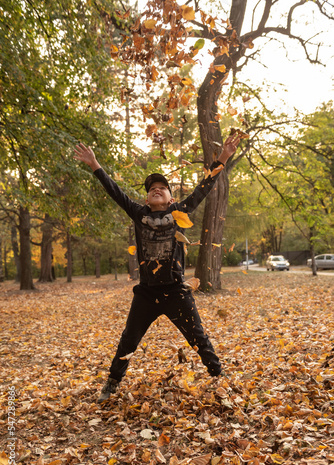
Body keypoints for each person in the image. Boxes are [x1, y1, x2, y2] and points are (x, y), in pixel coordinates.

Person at [74, 132, 242, 402]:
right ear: (146, 198)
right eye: (152, 188)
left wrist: (222, 157)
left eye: (162, 187)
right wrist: (95, 164)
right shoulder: (139, 214)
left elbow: (203, 188)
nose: (156, 189)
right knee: (128, 340)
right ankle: (112, 383)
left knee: (198, 337)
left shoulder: (179, 213)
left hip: (177, 292)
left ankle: (218, 377)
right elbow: (114, 191)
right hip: (147, 294)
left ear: (171, 199)